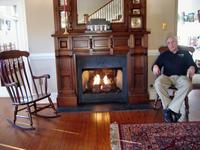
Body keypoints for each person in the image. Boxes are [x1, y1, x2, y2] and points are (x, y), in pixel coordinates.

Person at [152, 35, 197, 123]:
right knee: (157, 83)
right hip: (167, 77)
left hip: (181, 77)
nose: (171, 45)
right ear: (167, 45)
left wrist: (192, 67)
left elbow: (192, 65)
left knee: (188, 85)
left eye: (173, 42)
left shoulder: (185, 54)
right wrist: (155, 66)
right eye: (168, 43)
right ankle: (172, 110)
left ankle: (168, 110)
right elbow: (156, 64)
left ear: (177, 42)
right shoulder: (164, 54)